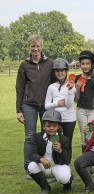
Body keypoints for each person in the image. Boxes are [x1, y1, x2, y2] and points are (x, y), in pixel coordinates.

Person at [16, 34, 54, 179]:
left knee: (49, 134)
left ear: (42, 47)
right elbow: (19, 89)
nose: (36, 49)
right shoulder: (24, 65)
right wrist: (18, 110)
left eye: (38, 46)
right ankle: (29, 167)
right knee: (30, 136)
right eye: (33, 46)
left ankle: (49, 164)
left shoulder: (49, 63)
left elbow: (57, 82)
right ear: (29, 47)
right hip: (29, 105)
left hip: (46, 105)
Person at [27, 109, 72, 194]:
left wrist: (60, 150)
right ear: (44, 126)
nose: (51, 128)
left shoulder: (64, 139)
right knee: (31, 166)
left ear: (58, 127)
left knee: (64, 177)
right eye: (48, 126)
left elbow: (67, 159)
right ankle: (45, 187)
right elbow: (31, 154)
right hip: (44, 165)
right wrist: (41, 159)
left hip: (58, 165)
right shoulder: (37, 137)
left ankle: (67, 184)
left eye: (54, 126)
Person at [45, 58, 76, 157]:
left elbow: (69, 105)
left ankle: (66, 165)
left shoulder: (71, 85)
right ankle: (56, 163)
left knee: (67, 143)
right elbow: (46, 106)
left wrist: (71, 90)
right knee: (54, 142)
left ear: (66, 71)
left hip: (69, 119)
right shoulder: (51, 87)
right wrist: (57, 103)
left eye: (62, 70)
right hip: (56, 120)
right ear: (55, 72)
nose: (60, 73)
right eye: (57, 71)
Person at [75, 50, 94, 152]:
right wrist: (77, 89)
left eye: (88, 63)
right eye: (83, 64)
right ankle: (85, 160)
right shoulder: (78, 78)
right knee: (84, 135)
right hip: (81, 110)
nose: (85, 66)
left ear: (92, 64)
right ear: (80, 65)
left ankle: (93, 157)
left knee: (90, 133)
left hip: (93, 110)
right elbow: (76, 99)